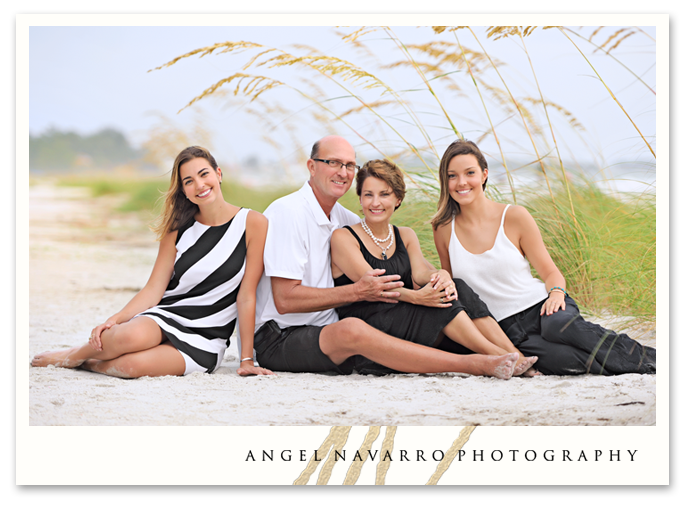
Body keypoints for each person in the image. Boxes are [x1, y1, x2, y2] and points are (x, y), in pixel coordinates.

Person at [253, 135, 521, 379]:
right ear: (312, 167)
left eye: (349, 165)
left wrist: (441, 277)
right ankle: (476, 364)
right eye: (333, 163)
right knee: (352, 329)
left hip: (330, 325)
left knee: (451, 291)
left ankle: (509, 354)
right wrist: (358, 292)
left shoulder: (346, 219)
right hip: (281, 336)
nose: (343, 172)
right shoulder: (288, 212)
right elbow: (285, 300)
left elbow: (412, 271)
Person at [32, 146, 274, 378]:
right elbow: (154, 289)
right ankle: (72, 355)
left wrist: (246, 360)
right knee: (129, 337)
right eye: (188, 181)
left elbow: (246, 296)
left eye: (204, 174)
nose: (199, 185)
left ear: (218, 174)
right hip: (166, 315)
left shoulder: (253, 223)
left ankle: (89, 362)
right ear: (183, 190)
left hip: (206, 338)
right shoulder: (178, 229)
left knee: (130, 366)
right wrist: (114, 320)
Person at [432, 139, 656, 376]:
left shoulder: (514, 216)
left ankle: (655, 361)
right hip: (505, 329)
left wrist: (557, 293)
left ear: (484, 175)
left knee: (561, 328)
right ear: (445, 181)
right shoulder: (443, 228)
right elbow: (457, 290)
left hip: (543, 307)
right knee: (568, 361)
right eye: (452, 176)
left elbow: (550, 272)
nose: (462, 182)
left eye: (470, 173)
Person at [330, 159, 539, 376]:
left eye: (384, 194)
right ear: (360, 198)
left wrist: (441, 274)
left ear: (398, 198)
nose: (375, 203)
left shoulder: (405, 235)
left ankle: (513, 353)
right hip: (370, 326)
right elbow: (373, 285)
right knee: (440, 302)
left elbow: (421, 274)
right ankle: (497, 356)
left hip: (404, 317)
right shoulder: (344, 237)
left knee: (455, 286)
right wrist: (417, 298)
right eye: (368, 195)